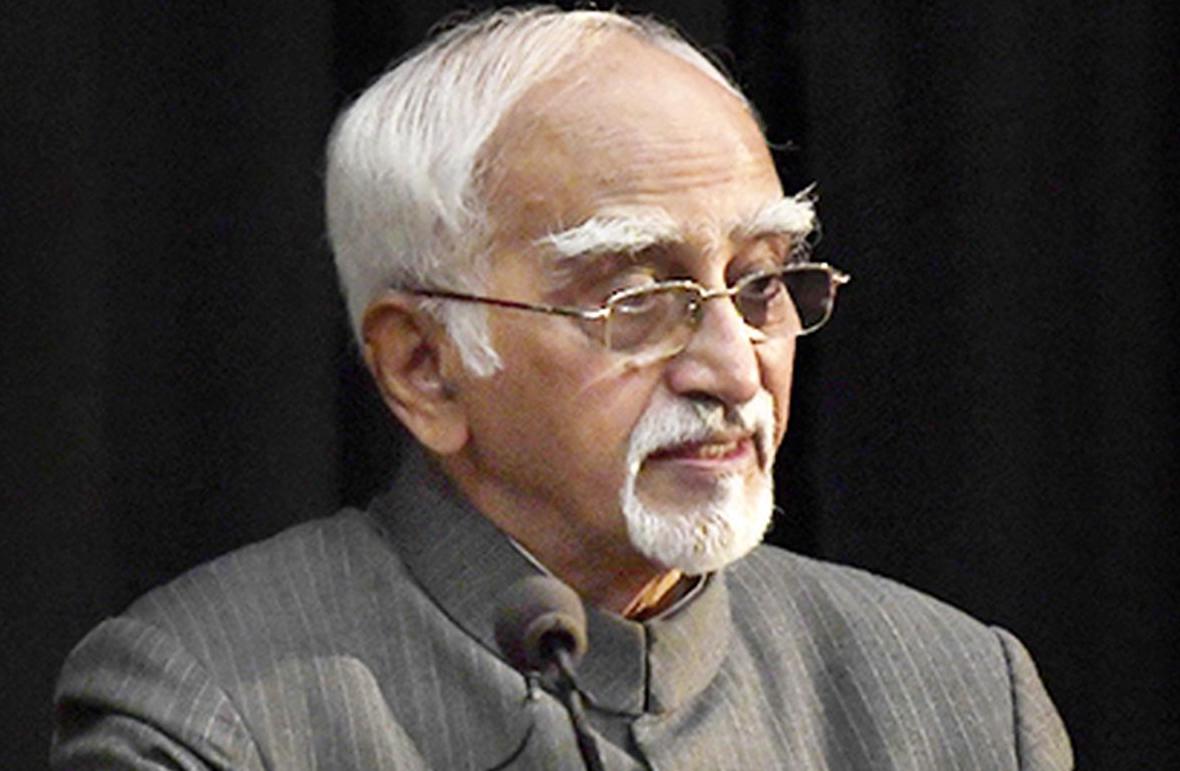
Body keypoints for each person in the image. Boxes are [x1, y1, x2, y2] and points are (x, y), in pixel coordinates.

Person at [52, 8, 1072, 769]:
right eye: (638, 298)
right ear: (423, 366)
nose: (733, 369)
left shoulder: (960, 701)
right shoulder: (213, 707)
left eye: (760, 283)